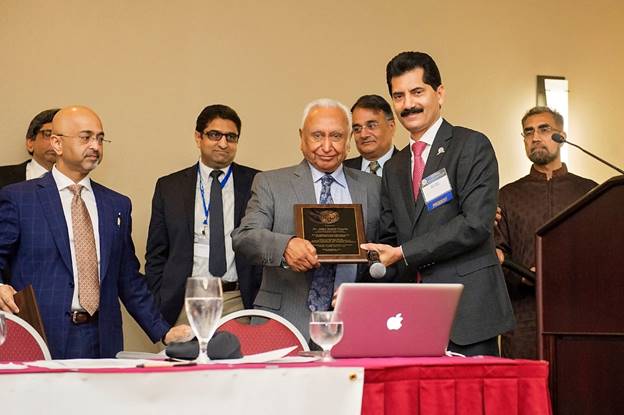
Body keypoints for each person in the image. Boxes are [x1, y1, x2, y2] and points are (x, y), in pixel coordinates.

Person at [0, 106, 189, 359]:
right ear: (56, 143)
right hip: (40, 337)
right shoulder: (19, 199)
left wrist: (164, 332)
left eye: (100, 138)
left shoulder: (117, 204)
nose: (96, 146)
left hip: (102, 338)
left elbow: (128, 280)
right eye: (86, 137)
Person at [361, 51, 515, 356]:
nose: (408, 104)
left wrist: (403, 253)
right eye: (399, 96)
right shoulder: (395, 166)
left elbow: (475, 225)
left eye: (417, 92)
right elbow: (392, 239)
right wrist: (364, 283)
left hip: (468, 311)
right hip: (413, 315)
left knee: (470, 403)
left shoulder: (471, 146)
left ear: (439, 93)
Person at [232, 98, 381, 337]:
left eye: (336, 136)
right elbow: (244, 237)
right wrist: (285, 247)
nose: (326, 146)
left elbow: (385, 249)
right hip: (284, 322)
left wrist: (362, 291)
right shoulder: (271, 183)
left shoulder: (373, 187)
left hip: (353, 323)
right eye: (317, 135)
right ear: (302, 138)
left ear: (349, 140)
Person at [495, 106, 597, 359]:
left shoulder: (589, 192)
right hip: (523, 318)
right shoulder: (507, 196)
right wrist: (522, 276)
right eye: (528, 132)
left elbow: (602, 251)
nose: (536, 137)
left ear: (562, 136)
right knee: (524, 394)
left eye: (544, 129)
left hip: (580, 314)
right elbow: (496, 254)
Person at [145, 104, 261, 326]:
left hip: (238, 300)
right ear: (198, 137)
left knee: (238, 361)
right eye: (214, 135)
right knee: (185, 361)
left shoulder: (257, 182)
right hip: (185, 302)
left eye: (231, 137)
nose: (223, 143)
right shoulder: (169, 187)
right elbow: (156, 254)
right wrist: (159, 299)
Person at [0, 108, 60, 188]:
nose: (56, 142)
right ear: (30, 143)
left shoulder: (80, 179)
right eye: (48, 135)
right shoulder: (3, 176)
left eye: (62, 136)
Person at [343, 95, 398, 176]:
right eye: (357, 129)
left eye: (371, 126)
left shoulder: (409, 165)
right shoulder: (342, 170)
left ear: (391, 126)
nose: (363, 135)